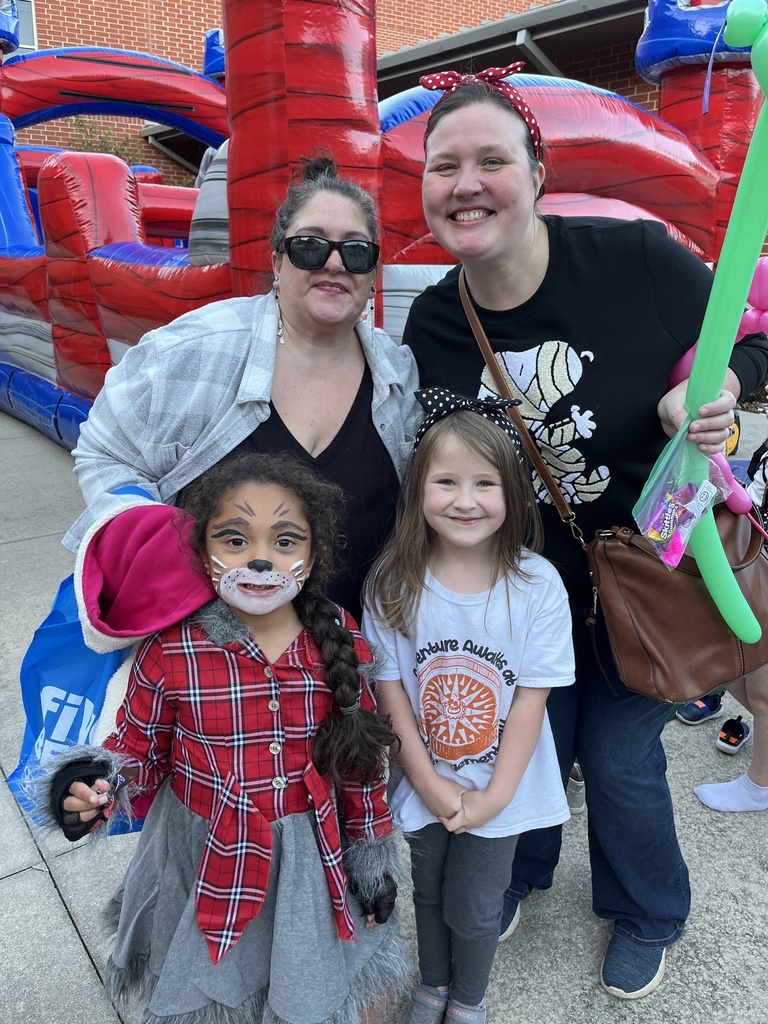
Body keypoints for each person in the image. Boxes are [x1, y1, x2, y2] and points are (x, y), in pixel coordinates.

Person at [402, 65, 768, 999]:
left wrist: (716, 387)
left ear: (537, 170)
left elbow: (755, 339)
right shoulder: (436, 320)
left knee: (616, 758)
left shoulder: (636, 259)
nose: (467, 183)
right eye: (445, 165)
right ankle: (522, 871)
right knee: (526, 751)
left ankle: (650, 909)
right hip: (523, 593)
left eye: (492, 159)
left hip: (648, 578)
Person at [41, 452, 408, 1024]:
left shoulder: (337, 635)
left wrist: (371, 856)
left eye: (285, 541)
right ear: (203, 552)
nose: (261, 559)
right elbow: (136, 753)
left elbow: (360, 762)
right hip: (203, 860)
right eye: (235, 539)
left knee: (310, 984)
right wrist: (91, 785)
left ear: (314, 554)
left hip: (307, 859)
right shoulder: (173, 649)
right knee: (211, 996)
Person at [63, 155, 420, 623]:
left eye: (356, 251)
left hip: (355, 665)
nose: (334, 264)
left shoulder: (398, 377)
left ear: (372, 272)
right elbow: (106, 451)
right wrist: (159, 548)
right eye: (310, 247)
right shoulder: (198, 347)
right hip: (210, 666)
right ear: (277, 259)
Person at [363, 392, 575, 1024]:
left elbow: (531, 703)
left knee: (477, 905)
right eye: (446, 481)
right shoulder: (393, 580)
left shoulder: (537, 585)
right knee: (426, 891)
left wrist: (494, 798)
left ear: (512, 493)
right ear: (417, 491)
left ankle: (469, 1002)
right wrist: (426, 783)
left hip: (499, 789)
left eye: (484, 483)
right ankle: (432, 985)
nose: (464, 499)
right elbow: (391, 689)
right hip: (423, 778)